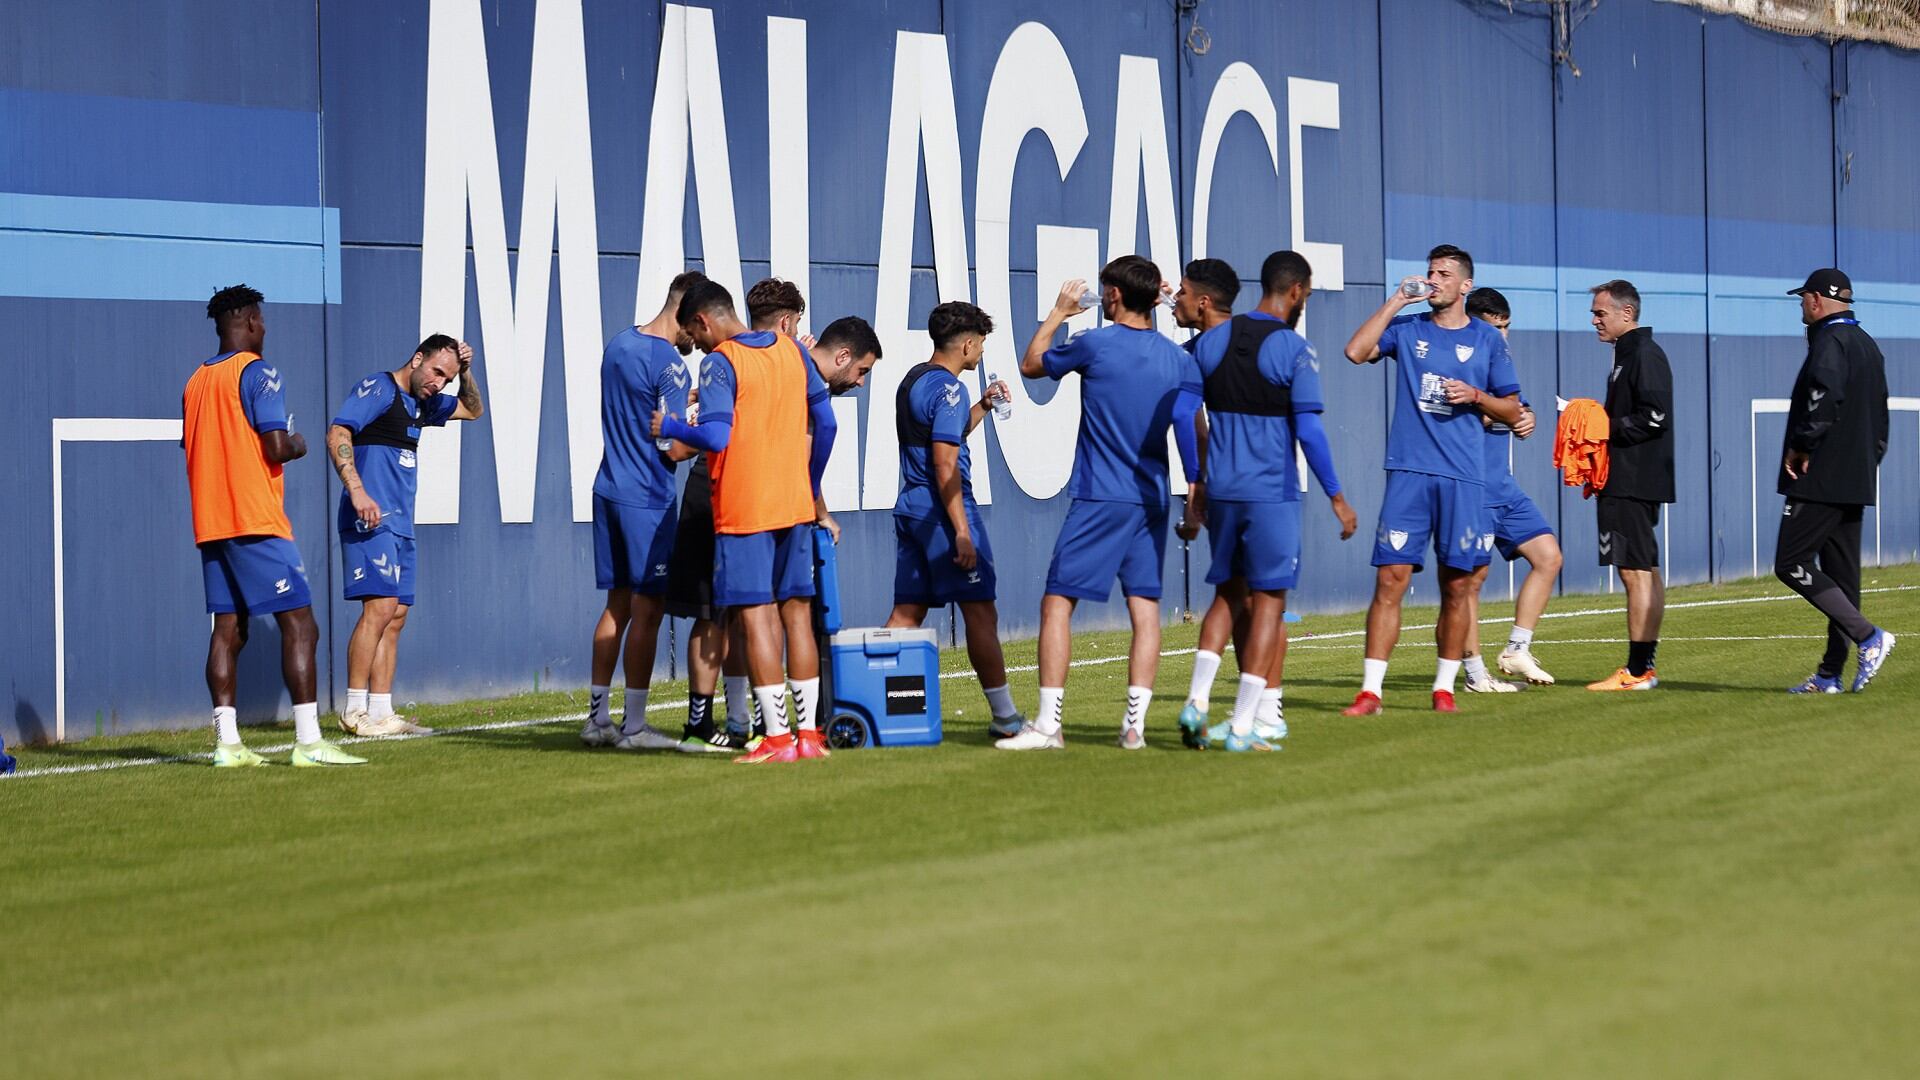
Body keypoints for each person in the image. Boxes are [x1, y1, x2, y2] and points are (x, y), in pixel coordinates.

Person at [996, 255, 1205, 751]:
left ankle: (1049, 724)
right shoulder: (1181, 359)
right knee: (1146, 610)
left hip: (1100, 496)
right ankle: (1133, 727)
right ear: (1156, 297)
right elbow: (1193, 429)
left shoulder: (1095, 343)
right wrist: (1195, 494)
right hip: (1151, 499)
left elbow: (1031, 365)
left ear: (1111, 296)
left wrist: (1058, 312)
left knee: (1057, 603)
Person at [654, 280, 839, 764]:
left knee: (757, 618)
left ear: (703, 322)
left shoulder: (721, 361)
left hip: (745, 508)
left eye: (696, 335)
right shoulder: (793, 351)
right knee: (797, 616)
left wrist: (669, 426)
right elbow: (829, 425)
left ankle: (776, 739)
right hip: (794, 506)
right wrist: (808, 480)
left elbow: (715, 436)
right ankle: (810, 737)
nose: (700, 346)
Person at [1177, 251, 1356, 752]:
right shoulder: (1294, 350)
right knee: (1270, 606)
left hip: (1224, 494)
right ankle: (1243, 725)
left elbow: (1183, 413)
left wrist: (1197, 484)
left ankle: (1196, 701)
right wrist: (1337, 497)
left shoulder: (1208, 344)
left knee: (1227, 598)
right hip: (1271, 495)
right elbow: (1312, 432)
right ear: (1296, 291)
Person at [184, 284, 363, 766]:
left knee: (228, 630)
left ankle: (227, 745)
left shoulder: (196, 381)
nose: (265, 328)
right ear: (245, 321)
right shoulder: (259, 372)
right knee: (302, 626)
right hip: (255, 519)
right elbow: (276, 447)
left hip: (211, 521)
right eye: (260, 319)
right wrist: (301, 441)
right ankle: (308, 742)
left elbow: (198, 446)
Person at [1341, 245, 1524, 715]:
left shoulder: (1487, 340)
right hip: (1409, 474)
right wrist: (1397, 300)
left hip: (1463, 478)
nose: (1433, 279)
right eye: (1430, 272)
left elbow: (1512, 408)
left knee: (1458, 586)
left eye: (1444, 274)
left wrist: (1476, 396)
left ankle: (1444, 688)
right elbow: (1355, 351)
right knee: (1390, 580)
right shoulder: (1406, 329)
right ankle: (1370, 692)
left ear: (1465, 285)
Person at [328, 335, 485, 737]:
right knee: (379, 609)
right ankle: (353, 710)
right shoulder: (379, 389)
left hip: (401, 525)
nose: (439, 383)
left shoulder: (424, 405)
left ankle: (381, 712)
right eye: (436, 371)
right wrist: (357, 491)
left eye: (446, 378)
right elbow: (338, 433)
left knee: (395, 616)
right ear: (417, 359)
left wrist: (465, 372)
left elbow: (473, 409)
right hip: (371, 519)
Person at [884, 301, 1025, 737]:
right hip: (943, 512)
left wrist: (982, 406)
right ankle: (1005, 718)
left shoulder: (913, 380)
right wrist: (962, 530)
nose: (981, 352)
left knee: (906, 615)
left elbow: (943, 436)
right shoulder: (948, 388)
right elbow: (944, 465)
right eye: (980, 344)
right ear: (967, 344)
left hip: (912, 507)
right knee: (981, 613)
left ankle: (888, 710)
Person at [578, 273, 701, 751]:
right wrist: (709, 433)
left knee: (616, 606)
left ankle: (597, 719)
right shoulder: (671, 364)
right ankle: (633, 727)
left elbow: (637, 410)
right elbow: (671, 448)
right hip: (646, 497)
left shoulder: (620, 343)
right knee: (648, 612)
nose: (700, 339)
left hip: (608, 487)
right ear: (689, 315)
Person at [1776, 268, 1896, 693]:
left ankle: (1868, 636)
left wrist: (1803, 446)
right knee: (1843, 580)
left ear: (1815, 299)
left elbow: (1823, 394)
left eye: (1802, 298)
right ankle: (1829, 674)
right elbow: (1881, 418)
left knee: (1790, 563)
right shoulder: (1867, 344)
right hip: (1854, 477)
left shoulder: (1830, 340)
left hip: (1820, 476)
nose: (1800, 307)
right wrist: (1867, 463)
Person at [1459, 288, 1563, 691]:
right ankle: (1473, 674)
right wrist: (1491, 413)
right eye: (1494, 327)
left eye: (1505, 327)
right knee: (1470, 582)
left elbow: (1519, 407)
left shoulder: (1500, 364)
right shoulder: (1459, 364)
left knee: (1549, 557)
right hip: (1472, 492)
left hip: (1504, 490)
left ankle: (1517, 649)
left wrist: (1529, 416)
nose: (1502, 335)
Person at [1585, 279, 1673, 691]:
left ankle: (1637, 672)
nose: (1594, 320)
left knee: (1635, 573)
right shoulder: (1630, 354)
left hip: (1631, 481)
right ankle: (1644, 667)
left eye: (1601, 313)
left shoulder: (1643, 354)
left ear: (1626, 313)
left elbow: (1655, 417)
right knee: (1646, 571)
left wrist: (1602, 426)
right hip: (1633, 479)